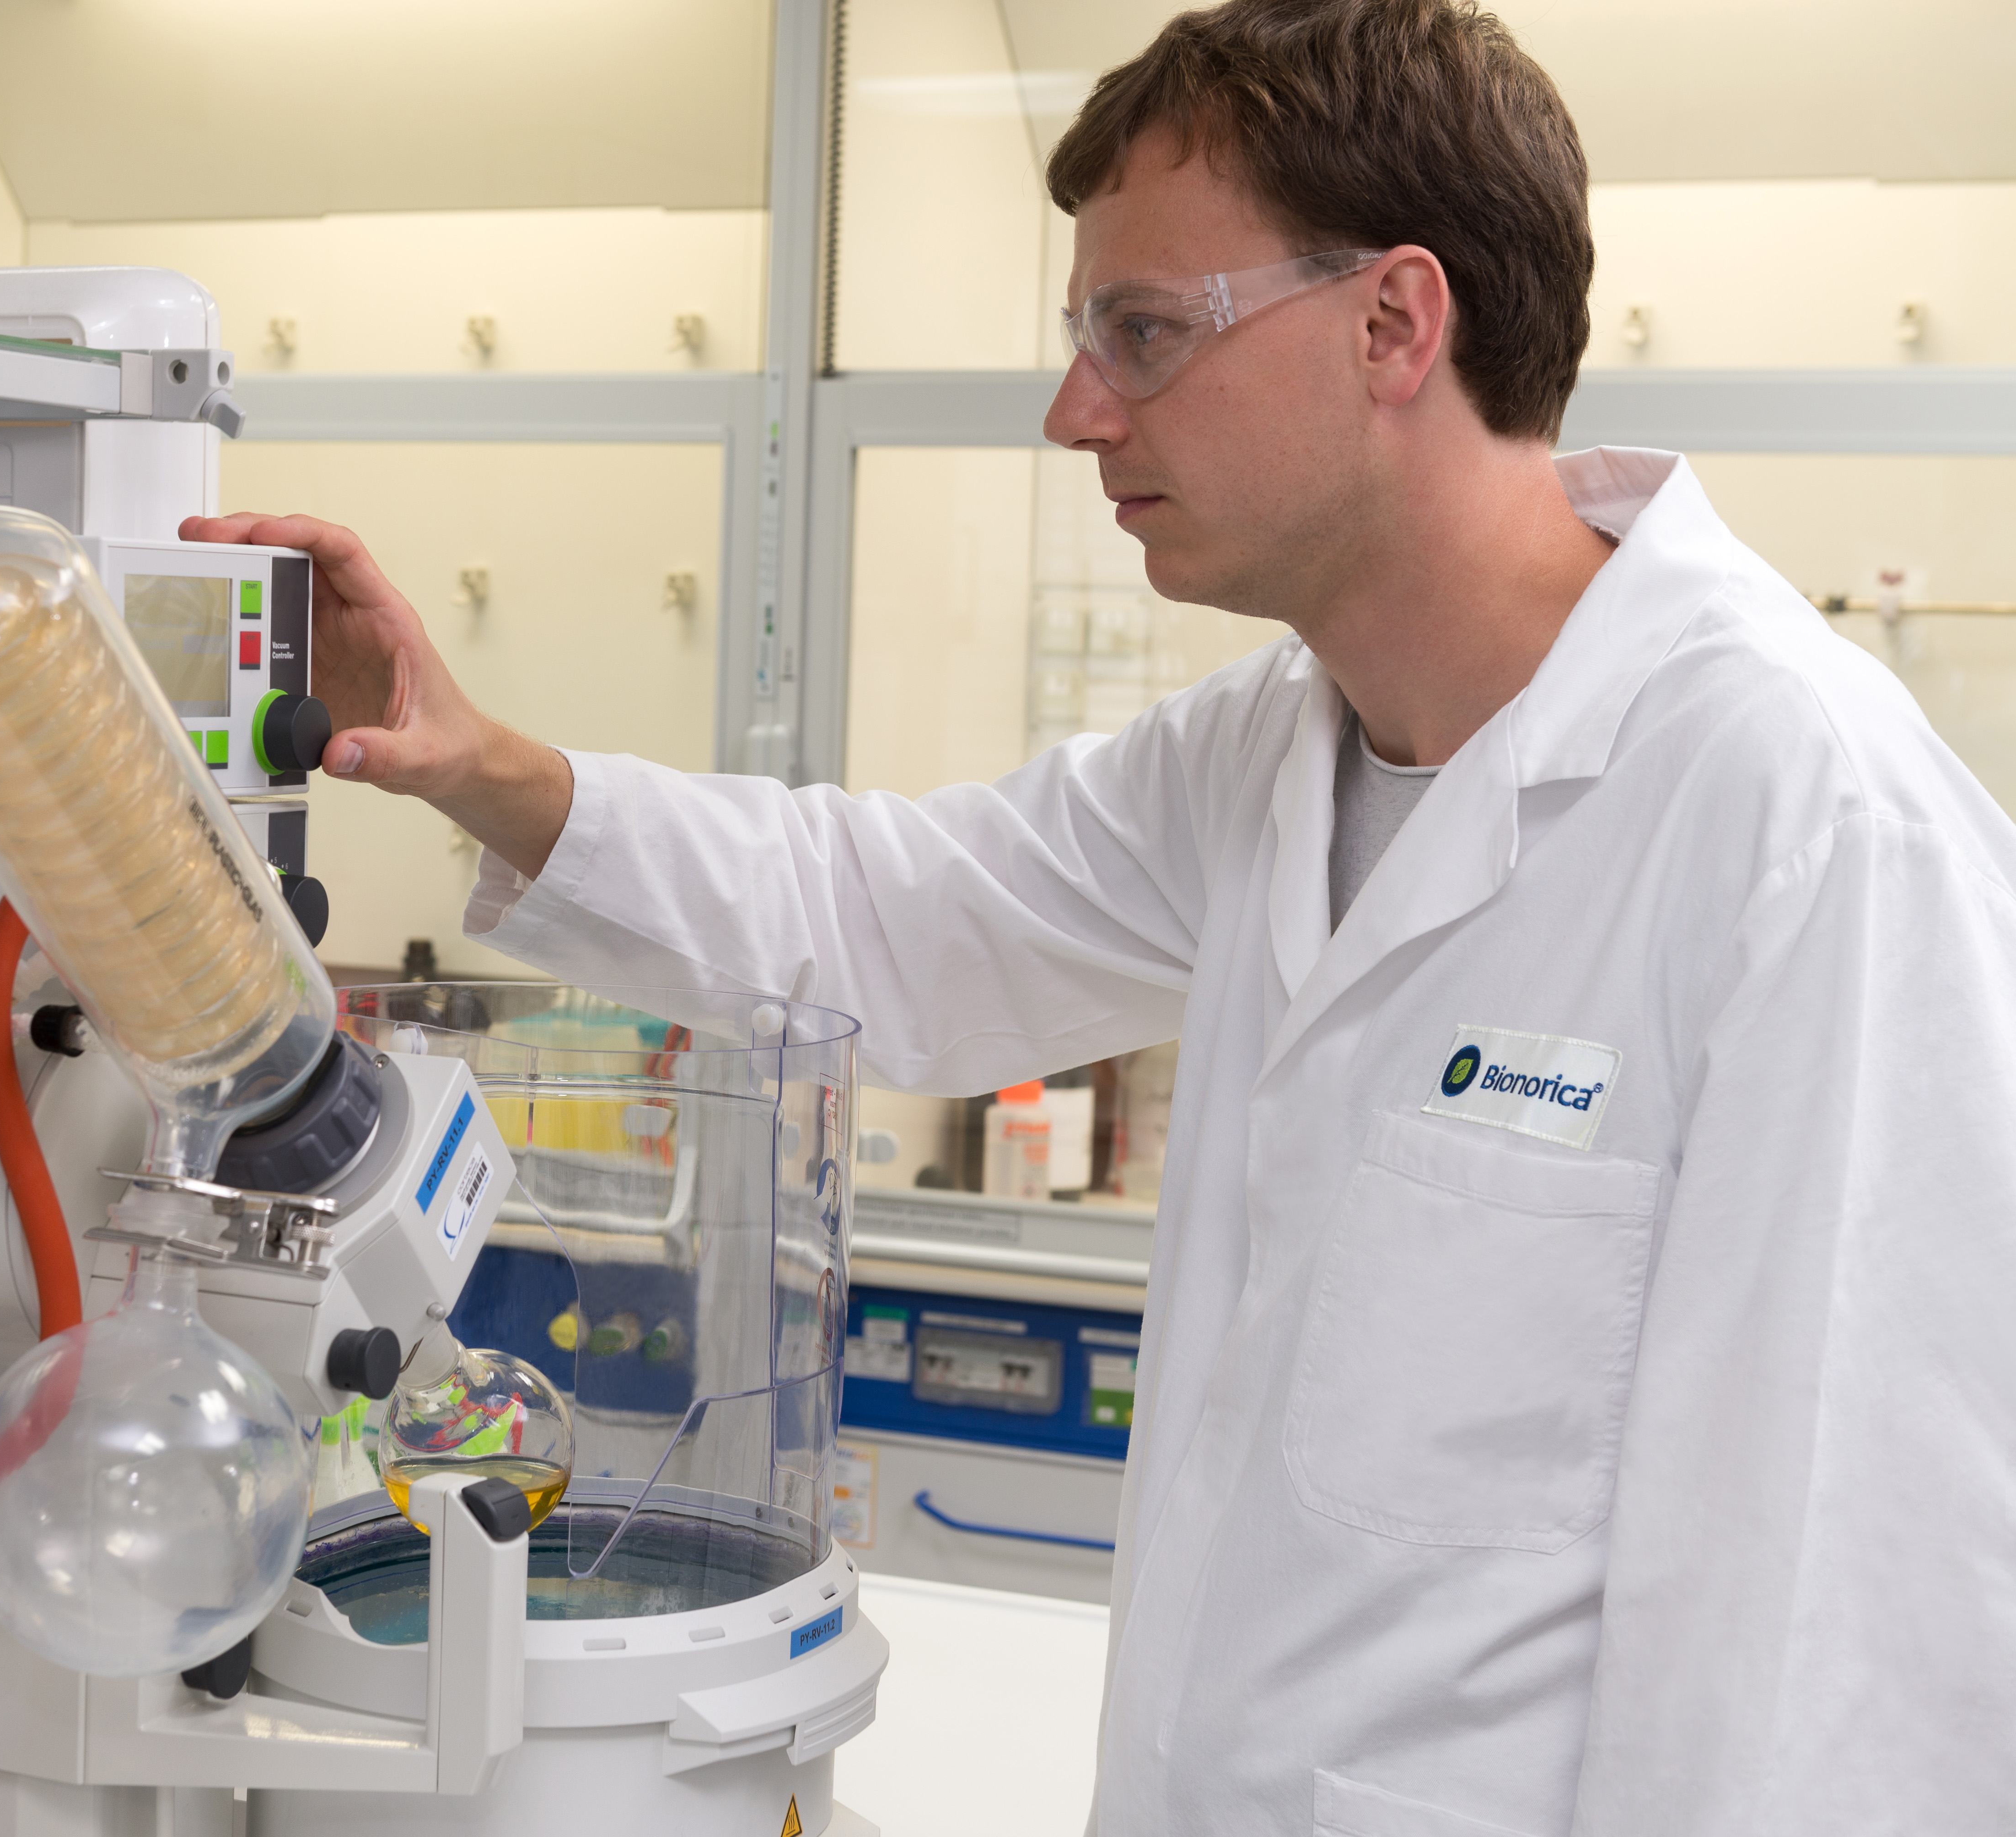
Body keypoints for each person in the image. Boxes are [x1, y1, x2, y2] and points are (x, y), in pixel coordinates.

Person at [186, 0, 2016, 1829]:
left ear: (1394, 323)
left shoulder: (1802, 824)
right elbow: (898, 916)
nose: (1077, 411)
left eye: (1145, 332)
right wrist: (476, 761)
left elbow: (1829, 1647)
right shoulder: (1271, 750)